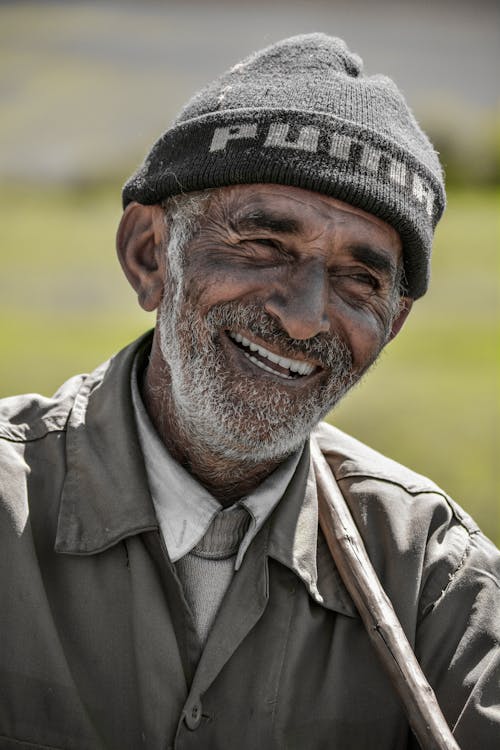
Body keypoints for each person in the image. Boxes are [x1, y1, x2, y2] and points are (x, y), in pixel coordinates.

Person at [0, 33, 498, 750]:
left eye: (361, 279)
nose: (303, 315)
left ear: (392, 323)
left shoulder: (437, 583)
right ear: (149, 256)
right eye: (263, 244)